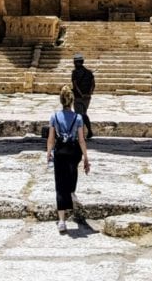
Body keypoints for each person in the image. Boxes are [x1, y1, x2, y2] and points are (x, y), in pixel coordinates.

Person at [46, 83, 90, 233]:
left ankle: (62, 221)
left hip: (60, 151)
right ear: (71, 101)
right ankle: (72, 191)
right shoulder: (78, 118)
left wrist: (48, 152)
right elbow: (81, 139)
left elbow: (51, 138)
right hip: (74, 151)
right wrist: (85, 157)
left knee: (60, 185)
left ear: (61, 100)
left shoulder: (54, 117)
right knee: (72, 171)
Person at [71, 53, 95, 139]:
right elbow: (93, 84)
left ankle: (81, 134)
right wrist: (89, 93)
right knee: (83, 114)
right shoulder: (89, 72)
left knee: (79, 115)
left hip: (79, 97)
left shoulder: (74, 73)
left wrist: (81, 95)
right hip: (87, 98)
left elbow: (75, 85)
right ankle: (88, 131)